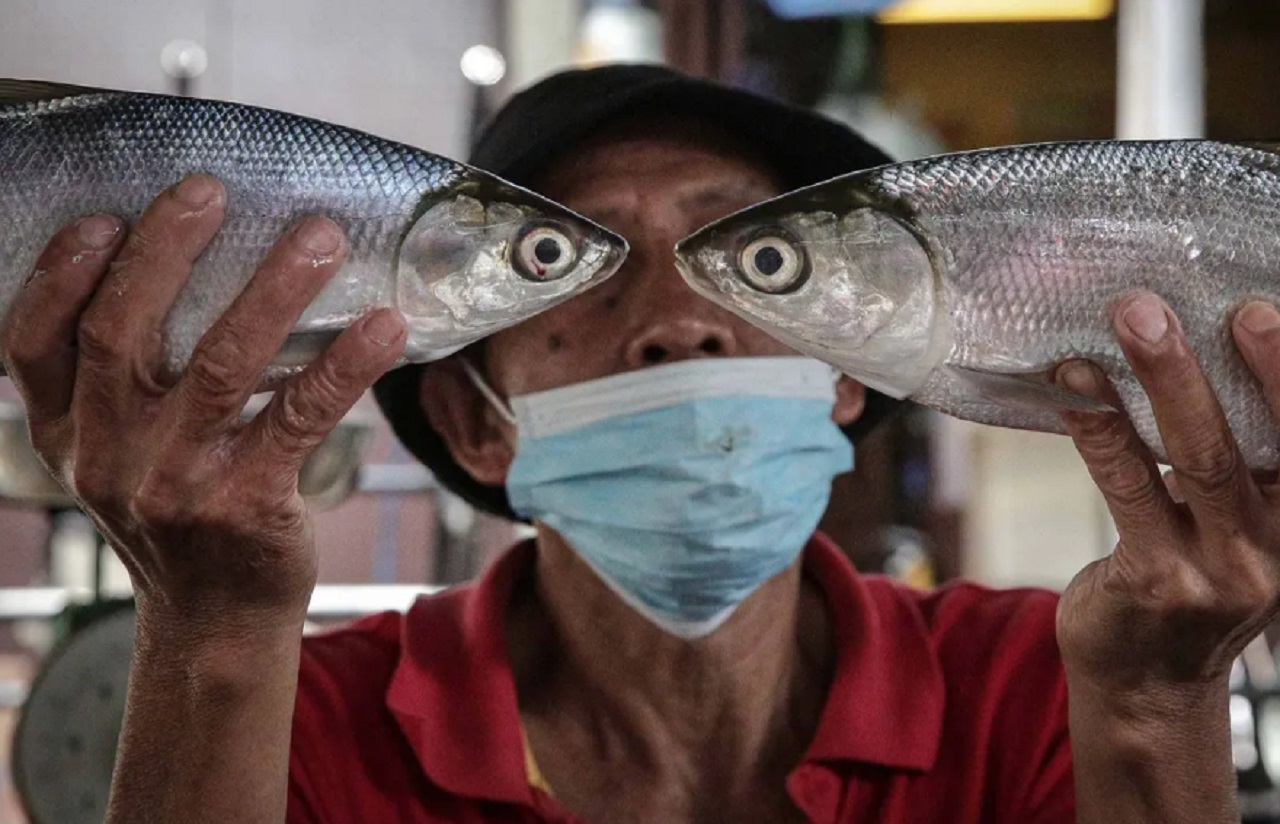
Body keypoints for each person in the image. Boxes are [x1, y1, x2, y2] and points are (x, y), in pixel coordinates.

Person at [2, 63, 1276, 824]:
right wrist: (211, 626)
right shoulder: (307, 720)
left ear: (848, 379)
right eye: (580, 269)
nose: (674, 320)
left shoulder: (1043, 683)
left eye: (745, 260)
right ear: (469, 419)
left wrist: (1158, 700)